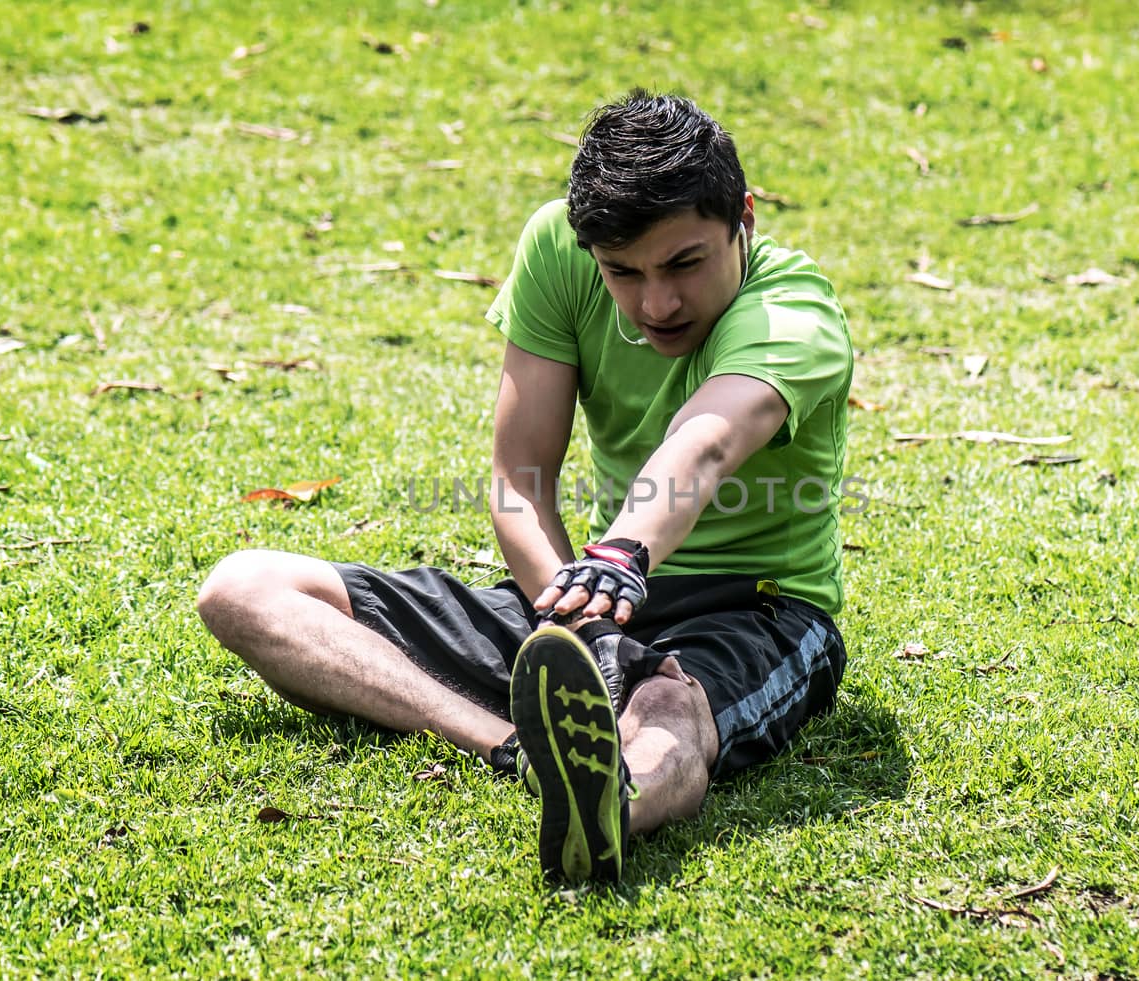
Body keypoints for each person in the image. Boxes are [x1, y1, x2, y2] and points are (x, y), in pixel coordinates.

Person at [197, 89, 854, 883]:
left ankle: (611, 805)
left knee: (669, 712)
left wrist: (618, 557)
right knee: (244, 589)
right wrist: (583, 625)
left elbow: (705, 445)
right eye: (622, 272)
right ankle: (515, 749)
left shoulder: (792, 312)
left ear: (742, 219)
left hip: (757, 606)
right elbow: (520, 480)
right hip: (590, 595)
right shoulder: (556, 246)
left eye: (685, 262)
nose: (657, 302)